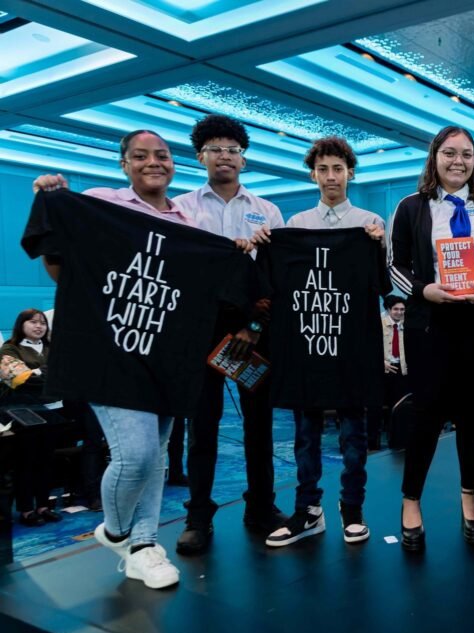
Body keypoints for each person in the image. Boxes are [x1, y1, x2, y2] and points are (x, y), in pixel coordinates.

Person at [30, 129, 217, 589]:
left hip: (166, 354)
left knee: (154, 457)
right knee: (134, 456)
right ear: (124, 164)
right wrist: (53, 200)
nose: (153, 162)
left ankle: (144, 545)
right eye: (140, 156)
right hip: (110, 352)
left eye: (162, 155)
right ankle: (115, 531)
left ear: (174, 163)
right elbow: (59, 264)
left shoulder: (189, 220)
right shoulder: (102, 204)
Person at [388, 125, 474, 552]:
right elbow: (395, 265)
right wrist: (424, 290)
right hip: (430, 324)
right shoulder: (411, 207)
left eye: (467, 154)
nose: (458, 161)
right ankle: (410, 500)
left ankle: (468, 494)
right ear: (434, 156)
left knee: (472, 417)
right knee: (425, 415)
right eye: (450, 152)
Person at [260, 135, 386, 547]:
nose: (331, 177)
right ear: (313, 174)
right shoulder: (294, 228)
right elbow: (274, 286)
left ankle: (352, 508)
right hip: (306, 348)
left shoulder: (370, 224)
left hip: (350, 347)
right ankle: (307, 510)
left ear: (350, 172)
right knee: (306, 434)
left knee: (354, 432)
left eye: (338, 168)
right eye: (323, 169)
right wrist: (265, 245)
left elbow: (384, 285)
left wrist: (377, 246)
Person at [173, 114, 286, 555]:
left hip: (253, 331)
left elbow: (278, 284)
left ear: (244, 158)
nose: (225, 156)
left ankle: (261, 506)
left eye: (233, 149)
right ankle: (198, 516)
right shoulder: (182, 208)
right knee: (202, 426)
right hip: (200, 330)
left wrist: (254, 328)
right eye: (215, 148)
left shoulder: (268, 211)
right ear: (200, 156)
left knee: (260, 426)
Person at [0, 309, 61, 526]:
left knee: (46, 461)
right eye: (33, 322)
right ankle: (26, 510)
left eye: (42, 322)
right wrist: (45, 374)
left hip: (53, 411)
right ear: (21, 325)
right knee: (26, 462)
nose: (39, 326)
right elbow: (18, 379)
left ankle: (43, 506)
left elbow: (63, 375)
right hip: (23, 413)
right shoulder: (10, 348)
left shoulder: (52, 348)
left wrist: (36, 372)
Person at [367, 294, 410, 450]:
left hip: (401, 369)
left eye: (402, 309)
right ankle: (373, 443)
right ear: (388, 309)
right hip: (381, 369)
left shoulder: (407, 324)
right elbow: (368, 348)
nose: (399, 312)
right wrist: (381, 363)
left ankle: (397, 442)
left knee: (399, 407)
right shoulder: (378, 323)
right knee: (375, 407)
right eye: (396, 309)